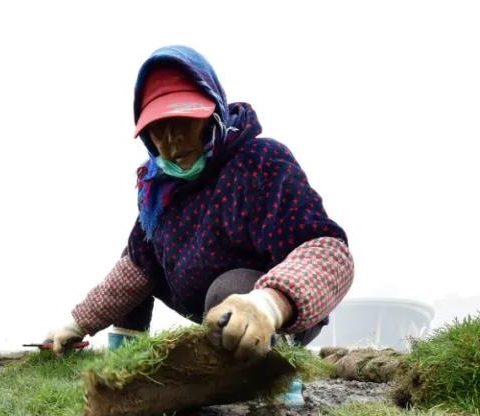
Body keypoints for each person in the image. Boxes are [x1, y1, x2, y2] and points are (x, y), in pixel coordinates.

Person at [46, 45, 354, 366]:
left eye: (183, 121)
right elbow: (133, 270)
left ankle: (270, 373)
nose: (172, 140)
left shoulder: (259, 163)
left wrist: (268, 303)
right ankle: (125, 367)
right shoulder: (160, 193)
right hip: (208, 307)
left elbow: (328, 251)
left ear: (212, 115)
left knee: (228, 292)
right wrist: (76, 325)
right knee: (135, 266)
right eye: (159, 129)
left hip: (274, 307)